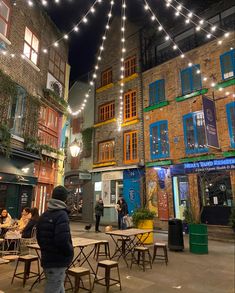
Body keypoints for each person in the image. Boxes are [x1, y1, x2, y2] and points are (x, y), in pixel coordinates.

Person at [36, 185, 74, 293]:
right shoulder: (62, 215)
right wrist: (69, 252)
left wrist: (46, 249)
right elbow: (62, 240)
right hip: (58, 261)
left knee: (58, 286)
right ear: (64, 199)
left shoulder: (44, 215)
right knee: (53, 287)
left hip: (47, 258)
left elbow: (39, 238)